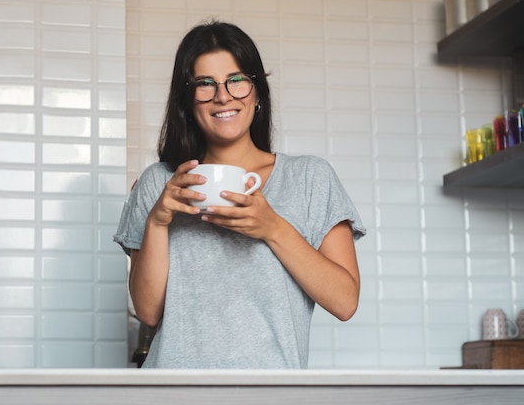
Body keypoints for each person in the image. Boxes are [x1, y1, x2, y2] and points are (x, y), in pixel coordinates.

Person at [114, 20, 366, 369]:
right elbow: (148, 311)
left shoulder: (309, 177)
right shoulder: (160, 184)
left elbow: (345, 301)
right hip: (172, 393)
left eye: (236, 81)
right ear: (187, 101)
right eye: (205, 84)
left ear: (257, 91)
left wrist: (272, 227)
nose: (223, 96)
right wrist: (157, 222)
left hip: (271, 395)